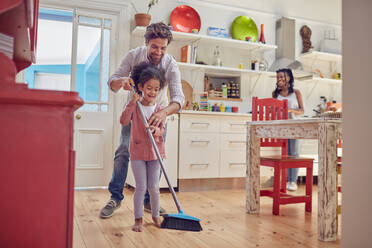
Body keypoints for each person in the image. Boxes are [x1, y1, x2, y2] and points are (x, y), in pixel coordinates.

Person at [100, 22, 184, 218]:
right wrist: (121, 81)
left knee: (156, 156)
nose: (159, 52)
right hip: (134, 112)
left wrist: (163, 113)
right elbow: (112, 83)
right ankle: (115, 197)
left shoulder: (170, 64)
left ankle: (148, 201)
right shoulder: (134, 55)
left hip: (157, 115)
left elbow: (179, 99)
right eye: (154, 46)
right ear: (146, 42)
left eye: (163, 47)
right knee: (123, 151)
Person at [120, 62, 166, 232]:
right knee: (141, 187)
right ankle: (138, 219)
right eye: (149, 88)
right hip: (138, 152)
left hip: (155, 153)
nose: (152, 92)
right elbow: (123, 121)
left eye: (156, 89)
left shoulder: (159, 109)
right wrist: (132, 103)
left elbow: (162, 129)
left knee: (154, 187)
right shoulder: (135, 106)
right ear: (140, 87)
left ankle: (155, 215)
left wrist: (156, 130)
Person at [272, 68, 304, 191]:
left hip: (295, 126)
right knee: (285, 154)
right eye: (277, 77)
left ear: (289, 78)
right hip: (282, 127)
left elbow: (302, 110)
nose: (279, 79)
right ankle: (285, 180)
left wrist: (290, 110)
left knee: (294, 153)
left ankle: (292, 181)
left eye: (281, 77)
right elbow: (274, 110)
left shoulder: (296, 92)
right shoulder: (275, 94)